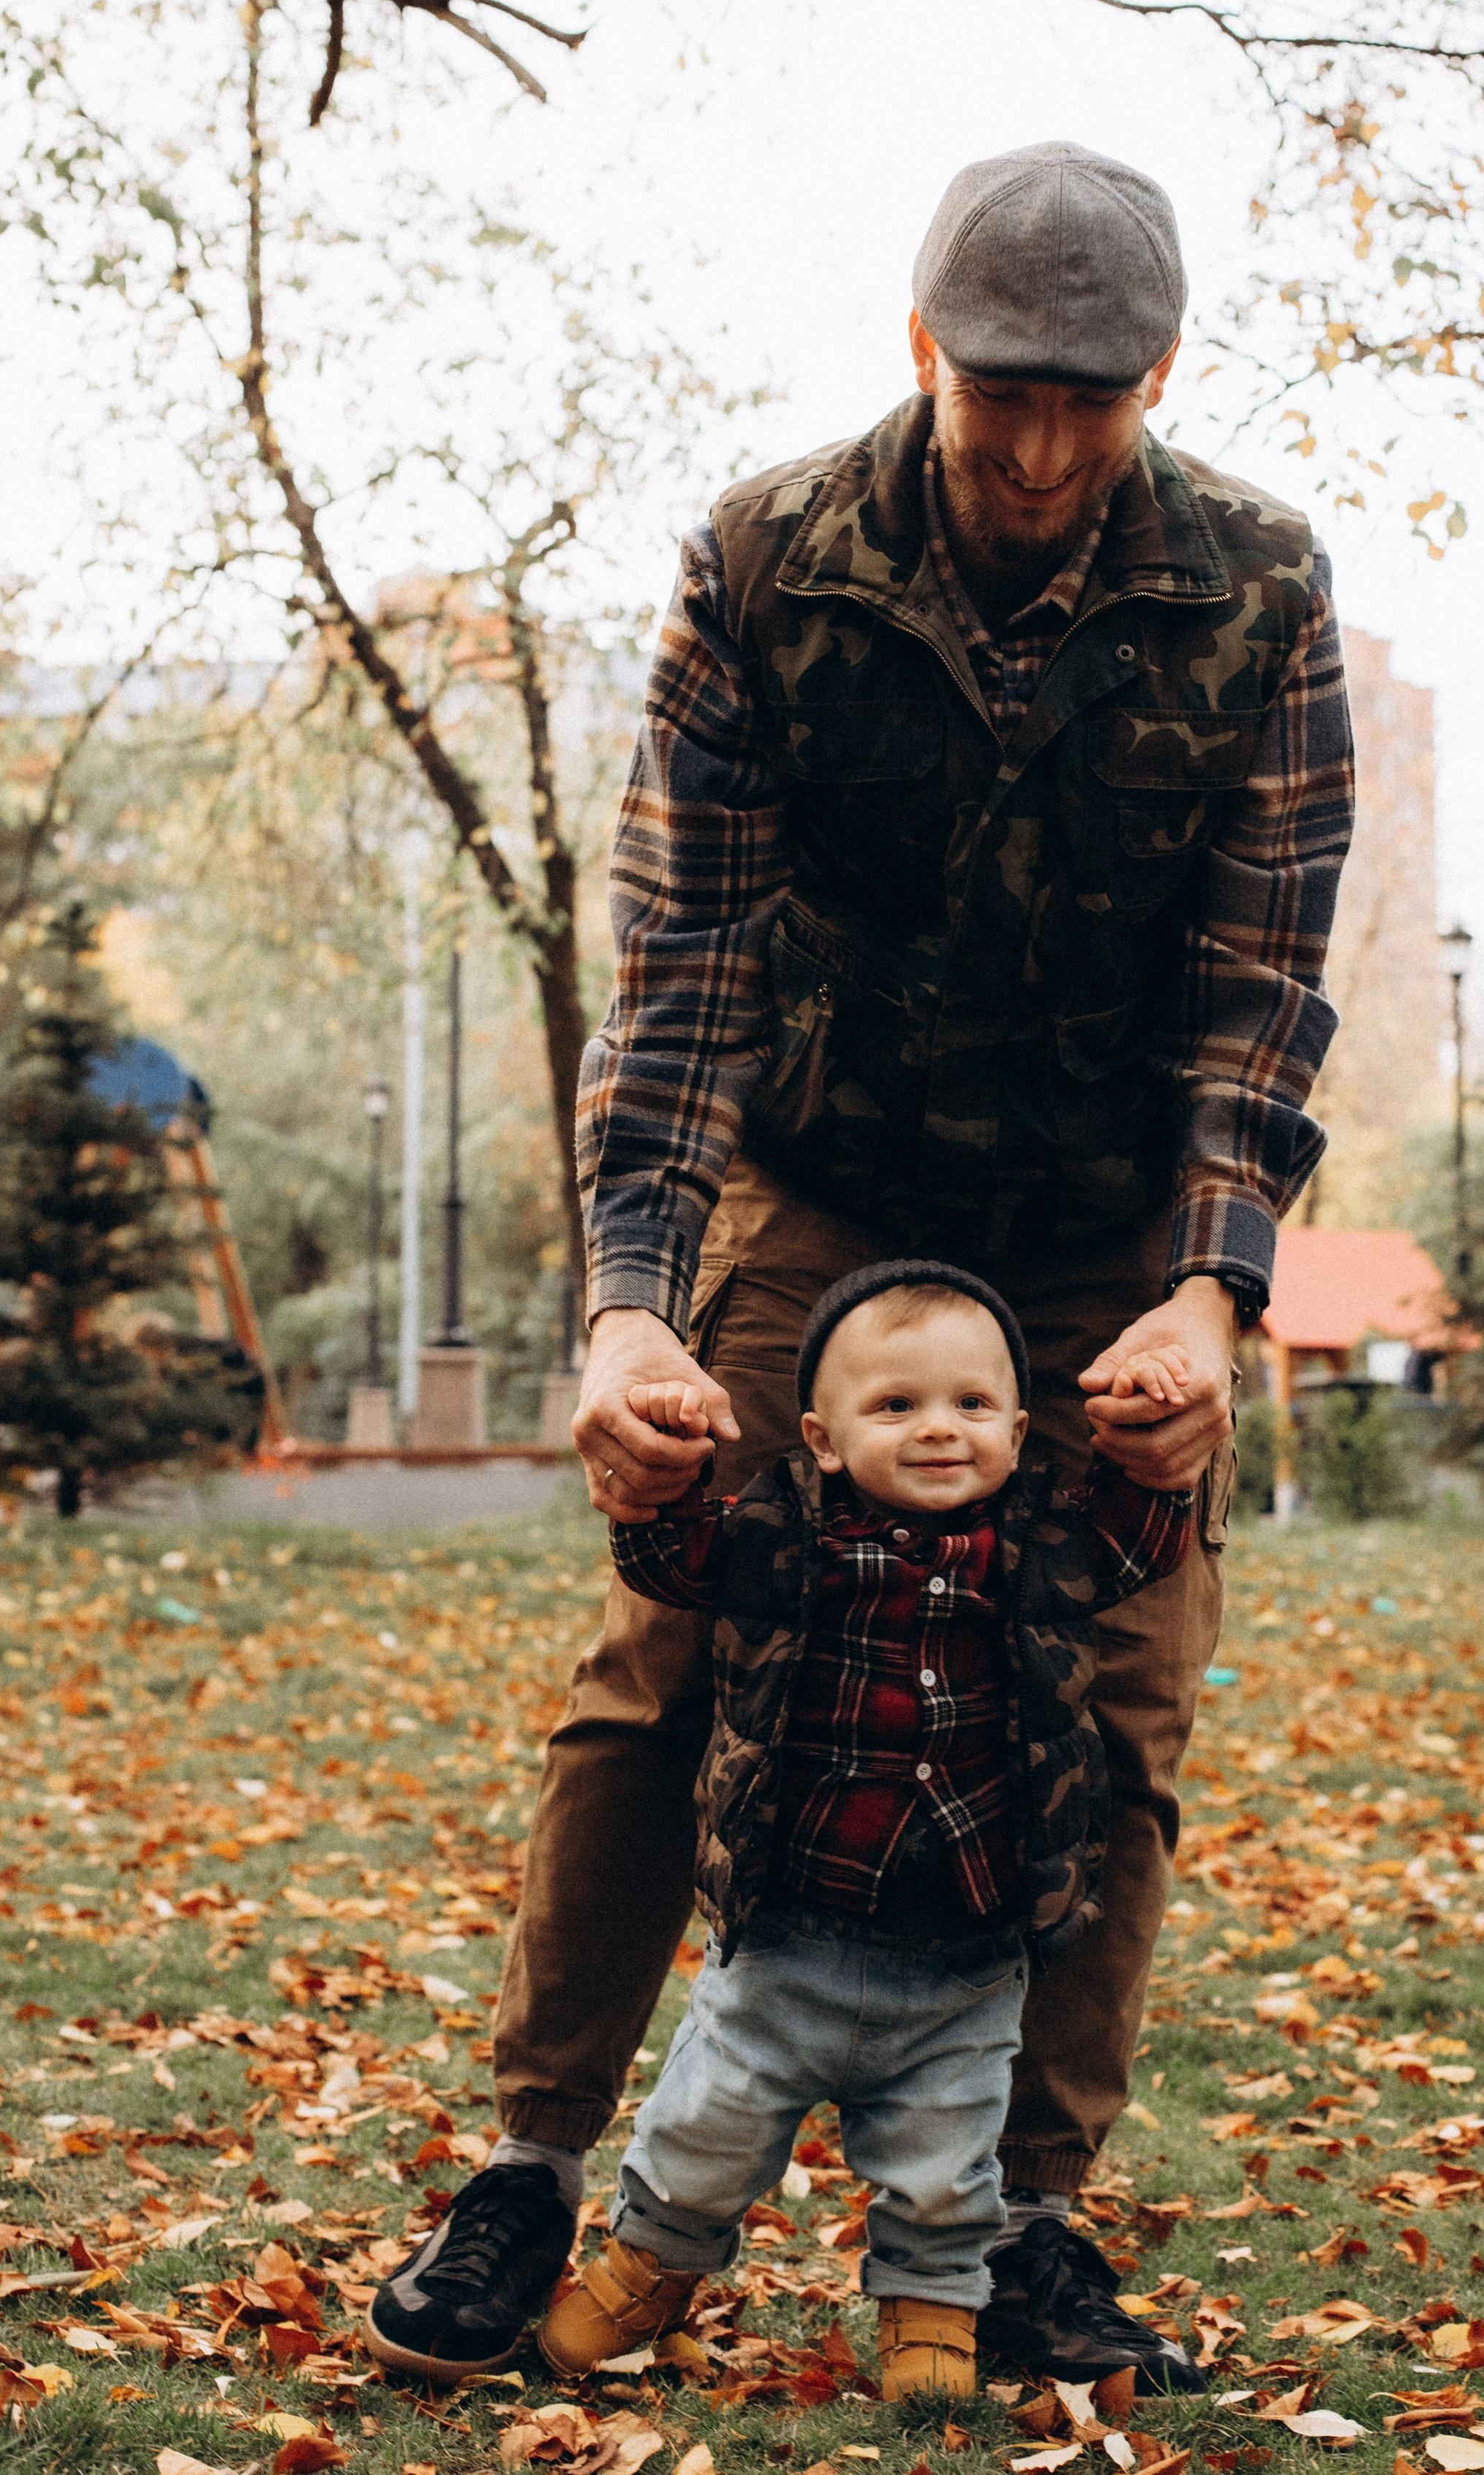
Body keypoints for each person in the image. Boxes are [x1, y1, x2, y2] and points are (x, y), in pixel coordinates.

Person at [364, 138, 1354, 2388]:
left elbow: (1261, 983)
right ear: (920, 348)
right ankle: (532, 2176)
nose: (1030, 449)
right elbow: (686, 958)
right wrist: (630, 1296)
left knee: (1119, 1695)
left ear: (1157, 381)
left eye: (1085, 406)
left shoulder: (1260, 590)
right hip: (817, 1186)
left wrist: (1211, 1294)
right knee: (665, 1654)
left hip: (1114, 1222)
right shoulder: (765, 560)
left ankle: (1014, 2229)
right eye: (994, 389)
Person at [527, 1262, 1199, 2399]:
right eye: (897, 1407)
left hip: (970, 1949)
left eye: (971, 1407)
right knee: (708, 2129)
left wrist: (1148, 1443)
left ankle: (932, 2314)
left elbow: (1143, 1546)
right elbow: (673, 1561)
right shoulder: (785, 1537)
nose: (940, 1431)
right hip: (792, 1932)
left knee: (946, 2161)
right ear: (824, 1438)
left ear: (1022, 1429)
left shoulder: (1045, 1547)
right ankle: (653, 2265)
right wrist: (672, 1474)